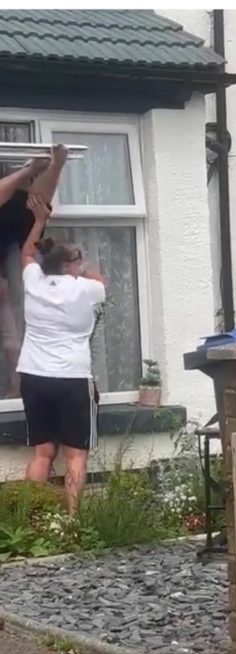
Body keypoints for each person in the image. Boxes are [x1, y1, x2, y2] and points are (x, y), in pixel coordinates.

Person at [17, 194, 105, 513]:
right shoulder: (87, 288)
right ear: (69, 265)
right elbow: (99, 281)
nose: (81, 266)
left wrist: (39, 222)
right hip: (71, 378)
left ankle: (28, 518)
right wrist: (84, 271)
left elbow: (26, 254)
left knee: (42, 452)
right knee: (75, 455)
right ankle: (71, 524)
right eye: (77, 261)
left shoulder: (34, 282)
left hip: (34, 377)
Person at [0, 145, 69, 396]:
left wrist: (54, 166)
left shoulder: (27, 207)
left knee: (18, 316)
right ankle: (15, 381)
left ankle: (19, 382)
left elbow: (39, 202)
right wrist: (28, 170)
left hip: (18, 250)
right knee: (9, 316)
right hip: (11, 249)